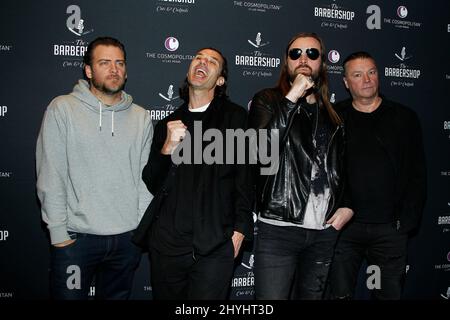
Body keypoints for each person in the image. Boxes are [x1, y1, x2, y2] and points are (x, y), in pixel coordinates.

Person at [36, 36, 153, 299]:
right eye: (104, 63)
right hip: (76, 241)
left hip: (126, 240)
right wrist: (59, 234)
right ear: (88, 70)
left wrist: (139, 229)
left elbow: (145, 180)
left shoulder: (141, 117)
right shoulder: (62, 109)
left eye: (119, 63)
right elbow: (51, 174)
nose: (114, 69)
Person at [139, 47, 253, 300]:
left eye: (212, 61)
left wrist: (240, 230)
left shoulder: (235, 118)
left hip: (214, 244)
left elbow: (245, 178)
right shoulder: (169, 123)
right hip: (167, 244)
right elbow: (152, 181)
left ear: (220, 80)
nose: (203, 62)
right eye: (198, 58)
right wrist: (167, 148)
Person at [248, 32, 353, 300]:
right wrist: (292, 96)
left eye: (312, 53)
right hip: (279, 228)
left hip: (323, 232)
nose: (303, 59)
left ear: (322, 64)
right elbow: (259, 152)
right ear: (286, 62)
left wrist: (348, 205)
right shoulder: (267, 100)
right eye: (295, 53)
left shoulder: (333, 114)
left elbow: (344, 167)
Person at [329, 51, 426, 300]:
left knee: (388, 295)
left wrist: (405, 222)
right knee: (338, 295)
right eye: (358, 75)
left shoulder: (404, 118)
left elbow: (418, 174)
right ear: (346, 82)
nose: (367, 79)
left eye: (371, 72)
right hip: (344, 229)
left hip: (390, 230)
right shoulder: (334, 118)